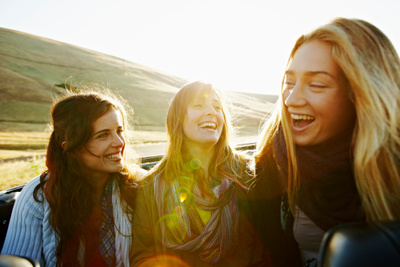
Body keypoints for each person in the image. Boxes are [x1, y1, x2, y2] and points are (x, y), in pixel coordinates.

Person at [253, 17, 400, 267]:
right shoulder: (273, 161)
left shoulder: (392, 167)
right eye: (289, 83)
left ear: (360, 94)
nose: (291, 99)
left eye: (317, 84)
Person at [1, 89, 146, 266]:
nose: (119, 143)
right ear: (71, 147)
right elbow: (16, 262)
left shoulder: (141, 186)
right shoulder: (38, 197)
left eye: (119, 131)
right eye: (103, 135)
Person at [131, 81, 263, 266]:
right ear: (178, 118)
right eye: (198, 105)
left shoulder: (247, 174)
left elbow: (264, 249)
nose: (211, 112)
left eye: (217, 107)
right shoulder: (151, 185)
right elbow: (143, 254)